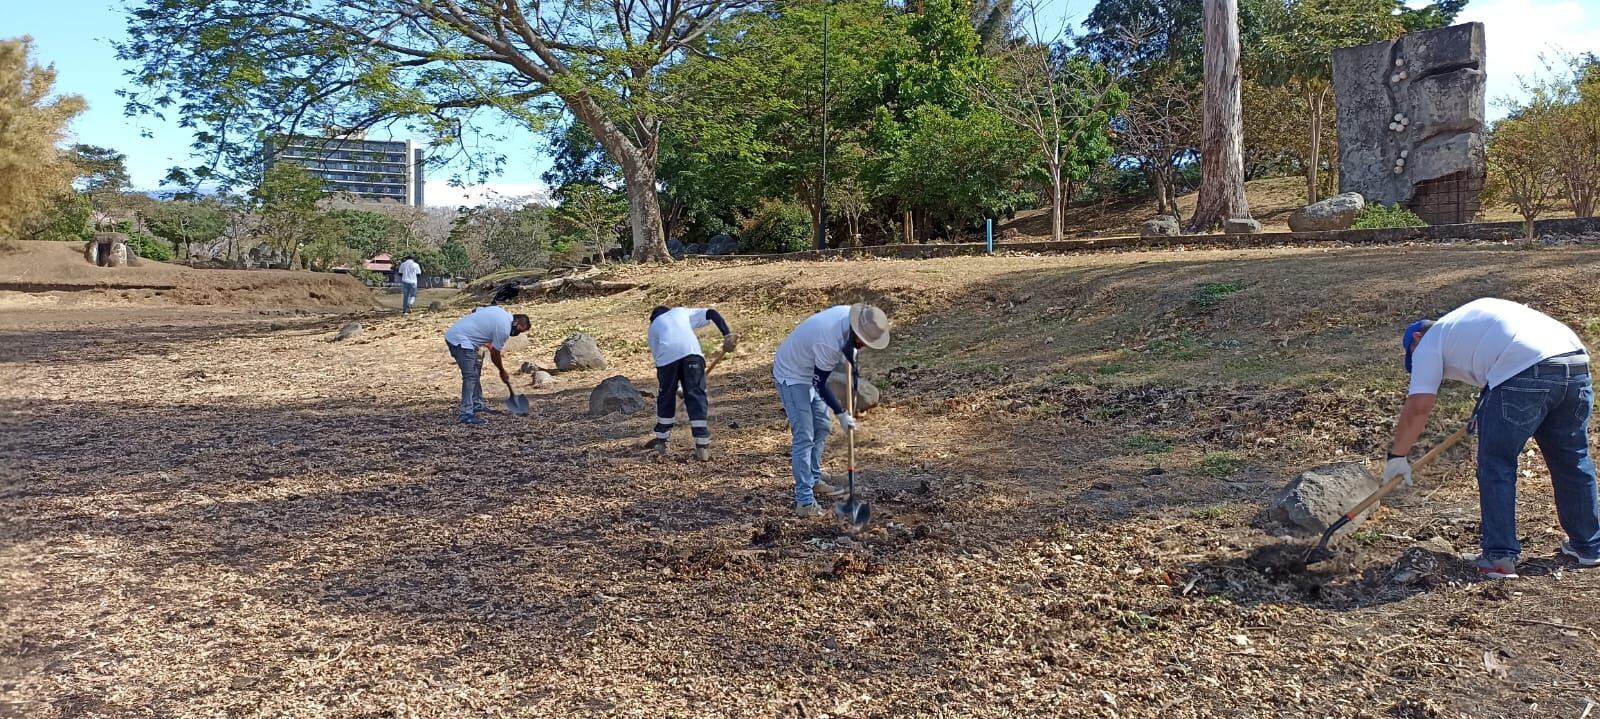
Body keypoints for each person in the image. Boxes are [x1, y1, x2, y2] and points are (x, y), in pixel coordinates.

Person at [1389, 297, 1600, 579]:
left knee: (1496, 464)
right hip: (1574, 363)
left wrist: (1397, 457)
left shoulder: (1429, 341)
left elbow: (1418, 408)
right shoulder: (1471, 318)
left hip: (1524, 370)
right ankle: (1590, 546)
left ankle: (1499, 557)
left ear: (1416, 337)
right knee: (1572, 460)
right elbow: (1500, 360)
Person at [772, 303, 890, 517]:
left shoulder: (855, 320)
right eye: (863, 341)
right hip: (792, 373)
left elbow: (851, 361)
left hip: (810, 366)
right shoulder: (828, 341)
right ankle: (804, 502)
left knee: (822, 425)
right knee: (805, 435)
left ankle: (814, 478)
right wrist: (841, 413)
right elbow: (820, 384)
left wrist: (853, 388)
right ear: (856, 331)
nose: (864, 345)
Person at [646, 306, 736, 461]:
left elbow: (661, 362)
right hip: (692, 354)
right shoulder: (681, 312)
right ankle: (702, 445)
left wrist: (674, 388)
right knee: (696, 395)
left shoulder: (653, 328)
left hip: (667, 359)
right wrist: (727, 334)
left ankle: (662, 441)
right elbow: (711, 313)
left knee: (666, 396)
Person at [444, 306, 531, 425]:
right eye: (519, 330)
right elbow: (495, 354)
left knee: (475, 372)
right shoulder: (504, 329)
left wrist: (484, 339)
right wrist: (502, 371)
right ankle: (466, 414)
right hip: (460, 340)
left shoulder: (499, 311)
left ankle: (476, 404)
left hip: (462, 337)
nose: (517, 333)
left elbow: (476, 311)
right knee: (470, 376)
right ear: (515, 322)